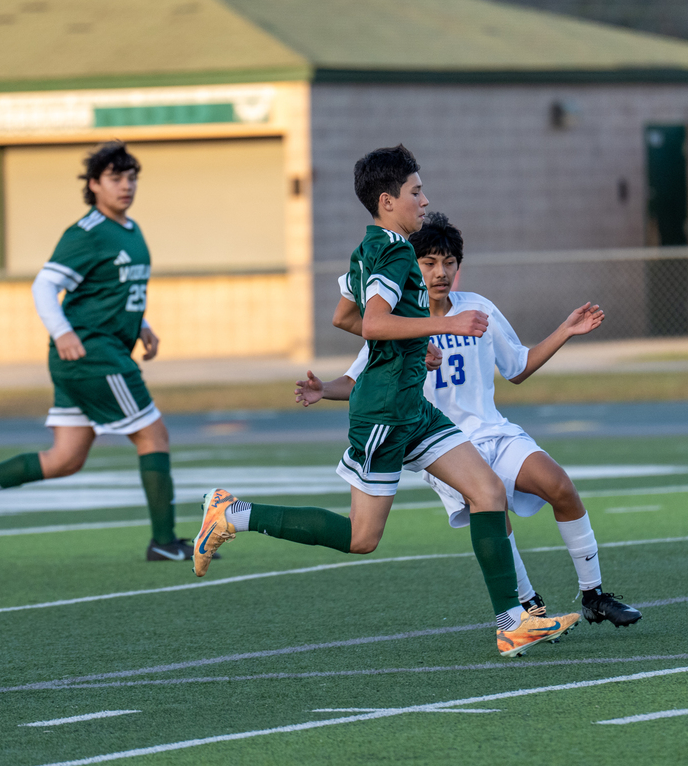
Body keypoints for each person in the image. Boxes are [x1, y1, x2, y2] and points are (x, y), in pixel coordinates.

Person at [194, 145, 579, 657]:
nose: (425, 200)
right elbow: (372, 322)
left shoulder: (369, 249)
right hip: (383, 412)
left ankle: (513, 622)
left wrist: (413, 343)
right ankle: (232, 513)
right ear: (387, 200)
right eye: (416, 191)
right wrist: (443, 323)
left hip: (413, 408)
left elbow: (345, 318)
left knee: (487, 492)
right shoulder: (394, 252)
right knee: (362, 538)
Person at [297, 212, 642, 628]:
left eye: (449, 262)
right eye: (428, 263)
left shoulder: (478, 309)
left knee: (560, 486)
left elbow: (517, 367)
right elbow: (359, 379)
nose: (440, 272)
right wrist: (324, 390)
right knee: (495, 512)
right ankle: (528, 606)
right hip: (445, 446)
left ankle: (594, 595)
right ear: (412, 264)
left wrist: (565, 331)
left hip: (495, 432)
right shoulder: (399, 321)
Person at [0, 142, 189, 562]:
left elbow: (111, 289)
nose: (126, 186)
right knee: (153, 434)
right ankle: (164, 541)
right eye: (115, 178)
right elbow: (44, 286)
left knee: (65, 459)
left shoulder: (130, 229)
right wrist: (62, 331)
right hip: (94, 356)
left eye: (131, 178)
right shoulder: (85, 233)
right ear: (93, 185)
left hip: (96, 352)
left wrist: (141, 324)